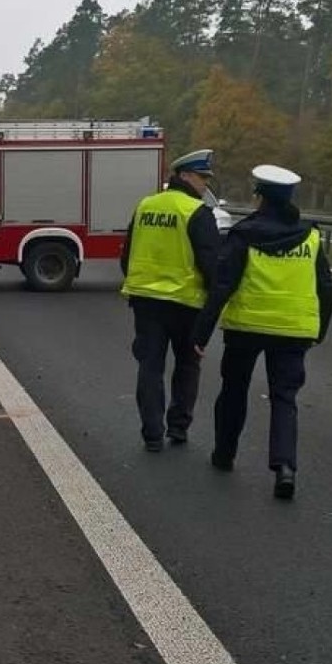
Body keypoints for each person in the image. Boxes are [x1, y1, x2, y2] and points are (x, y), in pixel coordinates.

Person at [192, 164, 332, 500]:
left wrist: (201, 333)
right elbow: (326, 287)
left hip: (247, 328)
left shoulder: (244, 234)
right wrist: (320, 330)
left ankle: (224, 454)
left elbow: (222, 284)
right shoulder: (311, 236)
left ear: (259, 197)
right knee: (284, 398)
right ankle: (285, 468)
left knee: (234, 390)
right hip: (294, 331)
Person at [121, 148, 220, 452]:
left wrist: (139, 282)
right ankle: (178, 427)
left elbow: (127, 254)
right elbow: (212, 263)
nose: (206, 184)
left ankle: (152, 433)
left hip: (146, 301)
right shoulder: (196, 211)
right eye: (202, 177)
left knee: (149, 366)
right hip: (186, 304)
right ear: (184, 175)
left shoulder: (145, 206)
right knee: (187, 366)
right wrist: (214, 302)